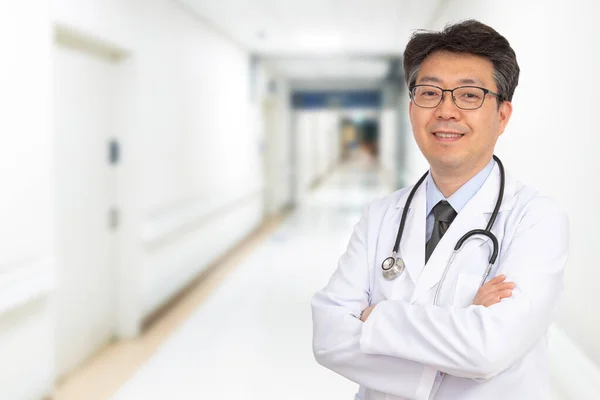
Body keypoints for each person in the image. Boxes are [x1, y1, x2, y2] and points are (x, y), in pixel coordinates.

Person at [311, 19, 569, 400]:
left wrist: (376, 318)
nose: (446, 111)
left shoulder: (538, 219)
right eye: (430, 93)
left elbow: (487, 350)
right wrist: (463, 322)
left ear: (502, 116)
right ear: (413, 107)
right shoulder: (382, 215)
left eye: (469, 95)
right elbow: (329, 338)